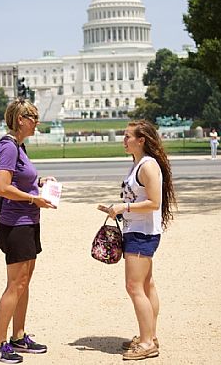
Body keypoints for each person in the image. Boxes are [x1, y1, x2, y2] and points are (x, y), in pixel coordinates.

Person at [97, 120, 176, 361]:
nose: (124, 140)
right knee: (146, 285)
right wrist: (117, 209)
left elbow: (154, 203)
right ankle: (150, 336)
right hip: (136, 229)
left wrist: (123, 207)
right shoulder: (138, 164)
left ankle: (147, 343)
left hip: (143, 233)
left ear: (141, 140)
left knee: (134, 286)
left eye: (128, 136)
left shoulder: (148, 165)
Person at [0, 98, 57, 364]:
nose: (37, 122)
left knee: (24, 283)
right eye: (33, 117)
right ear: (20, 119)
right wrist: (33, 199)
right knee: (15, 285)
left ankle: (18, 336)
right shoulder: (8, 147)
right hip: (15, 225)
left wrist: (40, 182)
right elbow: (2, 187)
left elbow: (20, 179)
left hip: (27, 223)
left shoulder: (19, 147)